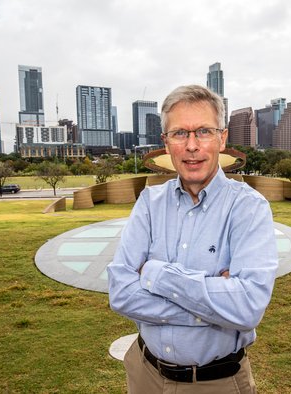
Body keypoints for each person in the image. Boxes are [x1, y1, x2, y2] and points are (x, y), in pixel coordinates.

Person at [107, 85, 278, 393]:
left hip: (216, 382)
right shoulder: (149, 202)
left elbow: (247, 308)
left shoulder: (249, 208)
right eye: (179, 134)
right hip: (144, 372)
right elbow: (121, 294)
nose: (192, 146)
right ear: (166, 142)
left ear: (222, 138)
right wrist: (214, 308)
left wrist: (155, 273)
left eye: (203, 131)